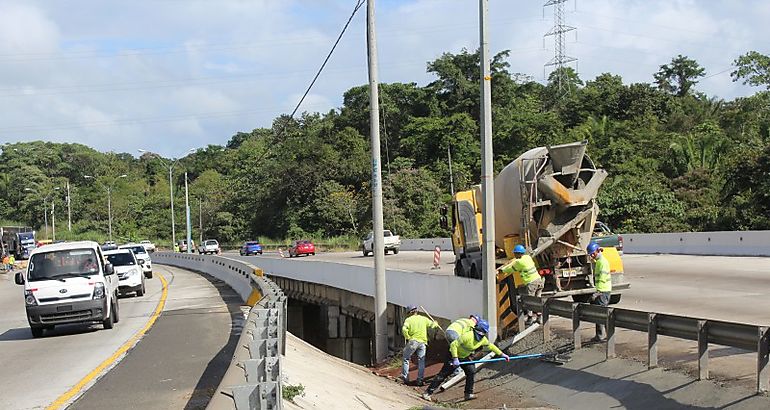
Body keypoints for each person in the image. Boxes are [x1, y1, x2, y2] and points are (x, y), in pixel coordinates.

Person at [422, 318, 509, 402]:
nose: (482, 335)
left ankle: (468, 393)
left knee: (471, 371)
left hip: (464, 357)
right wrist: (455, 358)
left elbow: (491, 346)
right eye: (482, 332)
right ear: (477, 330)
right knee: (444, 374)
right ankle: (427, 393)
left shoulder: (482, 340)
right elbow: (453, 345)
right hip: (453, 355)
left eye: (484, 333)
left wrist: (502, 354)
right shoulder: (467, 336)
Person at [500, 244, 543, 326]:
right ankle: (539, 317)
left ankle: (530, 318)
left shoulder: (519, 262)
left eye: (515, 253)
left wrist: (502, 270)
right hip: (539, 281)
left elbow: (510, 269)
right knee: (538, 300)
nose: (514, 255)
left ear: (518, 253)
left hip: (531, 283)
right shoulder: (528, 258)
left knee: (530, 301)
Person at [401, 305, 438, 386]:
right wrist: (435, 323)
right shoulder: (423, 318)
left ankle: (405, 378)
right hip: (423, 343)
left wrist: (408, 337)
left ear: (409, 313)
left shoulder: (408, 320)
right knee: (421, 361)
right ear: (416, 311)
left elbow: (404, 329)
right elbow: (432, 325)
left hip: (413, 341)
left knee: (406, 358)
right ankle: (420, 379)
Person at [587, 241, 612, 342]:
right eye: (591, 254)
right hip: (602, 291)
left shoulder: (602, 262)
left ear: (598, 251)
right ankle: (601, 335)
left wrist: (597, 292)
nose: (592, 256)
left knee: (602, 314)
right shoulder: (599, 261)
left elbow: (602, 279)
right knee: (599, 314)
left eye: (593, 253)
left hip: (603, 292)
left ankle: (604, 336)